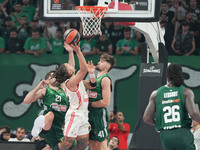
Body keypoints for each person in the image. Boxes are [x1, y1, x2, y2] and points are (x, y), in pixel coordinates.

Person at [143, 63, 200, 150]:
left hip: (165, 135)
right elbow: (193, 114)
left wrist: (160, 124)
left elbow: (146, 118)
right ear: (181, 75)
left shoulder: (155, 94)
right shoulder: (186, 92)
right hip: (182, 132)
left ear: (167, 76)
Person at [24, 46, 70, 149]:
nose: (55, 77)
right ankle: (39, 127)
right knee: (50, 114)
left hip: (58, 125)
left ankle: (40, 132)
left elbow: (70, 69)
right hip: (47, 119)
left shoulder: (63, 88)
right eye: (52, 76)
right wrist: (38, 87)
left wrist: (71, 52)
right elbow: (27, 100)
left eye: (56, 76)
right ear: (47, 81)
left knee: (61, 146)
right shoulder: (45, 90)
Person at [57, 43, 96, 150]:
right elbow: (83, 70)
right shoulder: (71, 82)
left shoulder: (74, 78)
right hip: (75, 115)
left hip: (84, 114)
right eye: (69, 66)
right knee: (66, 144)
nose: (71, 65)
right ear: (69, 72)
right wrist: (78, 51)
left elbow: (71, 65)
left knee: (82, 144)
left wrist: (70, 52)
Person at [88, 53, 116, 150]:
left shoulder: (105, 79)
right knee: (92, 144)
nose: (99, 62)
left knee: (102, 145)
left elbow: (105, 102)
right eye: (100, 60)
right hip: (89, 114)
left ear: (108, 66)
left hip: (99, 115)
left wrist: (88, 104)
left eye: (102, 61)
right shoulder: (94, 79)